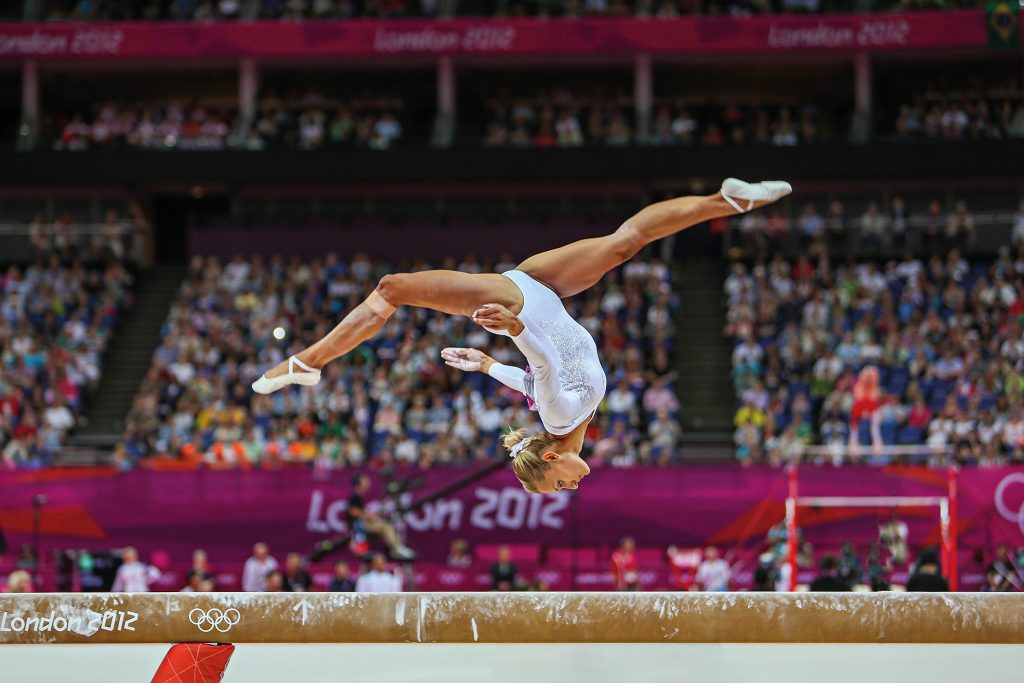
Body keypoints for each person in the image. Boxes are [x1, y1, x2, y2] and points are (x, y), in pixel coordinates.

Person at [253, 178, 792, 493]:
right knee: (625, 242)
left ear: (553, 460)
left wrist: (512, 332)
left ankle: (311, 361)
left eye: (561, 484)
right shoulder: (565, 417)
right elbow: (534, 384)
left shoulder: (559, 422)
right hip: (542, 290)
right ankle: (729, 202)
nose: (574, 486)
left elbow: (546, 370)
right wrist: (488, 367)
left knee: (392, 288)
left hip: (520, 304)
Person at [345, 473, 415, 560]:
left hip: (363, 524)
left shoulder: (359, 496)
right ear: (359, 483)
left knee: (385, 524)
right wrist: (369, 516)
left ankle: (394, 547)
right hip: (358, 525)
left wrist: (373, 516)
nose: (368, 483)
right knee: (385, 526)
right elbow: (352, 511)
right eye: (365, 481)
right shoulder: (355, 496)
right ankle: (396, 548)